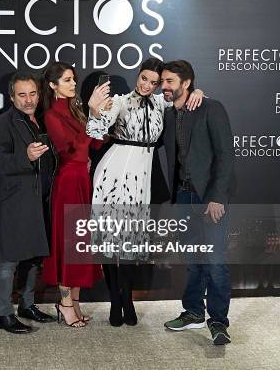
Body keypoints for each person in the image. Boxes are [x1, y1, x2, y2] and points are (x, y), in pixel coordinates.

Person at [86, 58, 203, 327]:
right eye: (144, 79)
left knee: (128, 242)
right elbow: (97, 130)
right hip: (113, 171)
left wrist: (197, 92)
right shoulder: (120, 101)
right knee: (109, 240)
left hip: (142, 175)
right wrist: (94, 110)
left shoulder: (163, 102)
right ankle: (116, 299)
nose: (148, 85)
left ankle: (127, 298)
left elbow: (185, 99)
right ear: (137, 76)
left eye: (154, 82)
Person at [160, 60, 235, 345]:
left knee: (215, 262)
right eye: (162, 82)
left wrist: (217, 197)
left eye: (169, 81)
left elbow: (225, 156)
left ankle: (218, 322)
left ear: (186, 83)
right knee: (193, 261)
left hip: (209, 198)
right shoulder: (168, 114)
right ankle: (193, 312)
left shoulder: (210, 108)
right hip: (183, 197)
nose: (163, 87)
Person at [0, 72, 57, 334]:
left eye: (33, 94)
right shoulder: (1, 124)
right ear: (11, 97)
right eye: (22, 95)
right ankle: (3, 314)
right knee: (8, 260)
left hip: (38, 200)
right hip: (13, 202)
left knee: (33, 257)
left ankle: (27, 305)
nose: (29, 100)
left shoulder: (40, 121)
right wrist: (25, 155)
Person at [41, 61, 104, 328]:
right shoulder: (52, 115)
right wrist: (92, 115)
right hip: (68, 182)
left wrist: (99, 116)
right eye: (67, 80)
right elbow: (72, 151)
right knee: (69, 243)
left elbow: (98, 143)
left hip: (84, 181)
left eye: (74, 79)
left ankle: (75, 303)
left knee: (81, 243)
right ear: (53, 86)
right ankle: (65, 303)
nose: (73, 84)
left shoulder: (76, 110)